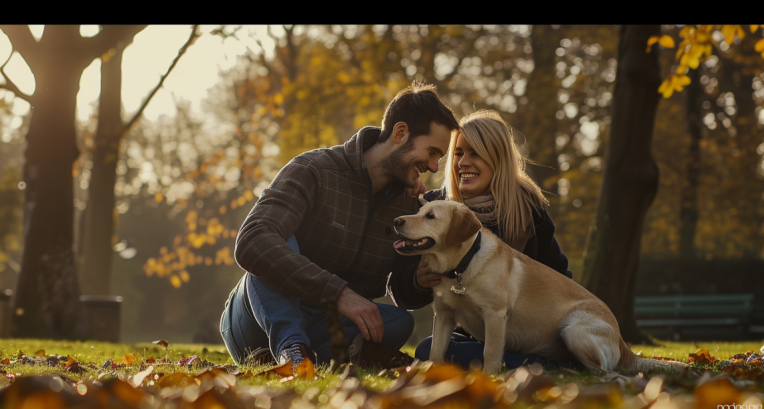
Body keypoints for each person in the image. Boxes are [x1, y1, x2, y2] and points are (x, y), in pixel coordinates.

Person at [220, 82, 460, 373]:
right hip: (258, 318)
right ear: (400, 133)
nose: (435, 167)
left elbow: (399, 289)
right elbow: (251, 242)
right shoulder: (315, 170)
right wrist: (338, 293)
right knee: (274, 242)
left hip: (325, 325)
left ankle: (315, 356)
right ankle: (292, 348)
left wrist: (418, 281)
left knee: (399, 322)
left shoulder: (408, 205)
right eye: (432, 152)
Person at [387, 109, 582, 371]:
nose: (462, 163)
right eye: (458, 153)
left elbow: (557, 277)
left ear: (498, 159)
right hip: (471, 336)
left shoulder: (529, 211)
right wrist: (416, 280)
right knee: (429, 349)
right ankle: (543, 365)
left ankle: (543, 360)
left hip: (527, 332)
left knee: (452, 354)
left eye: (475, 153)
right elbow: (399, 289)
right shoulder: (433, 207)